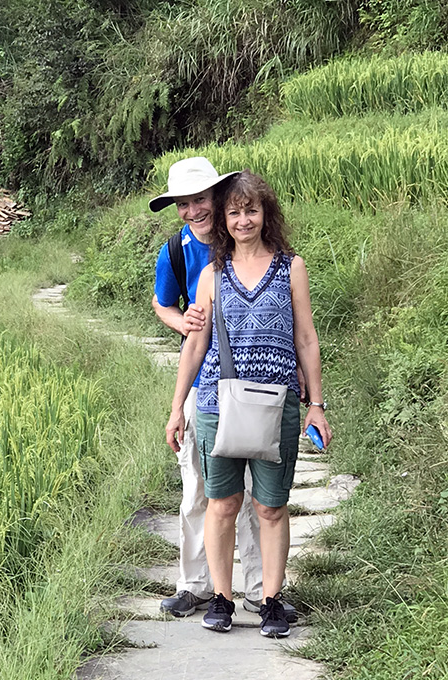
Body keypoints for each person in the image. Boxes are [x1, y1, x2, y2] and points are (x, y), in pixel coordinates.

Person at [165, 170, 331, 638]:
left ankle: (272, 601)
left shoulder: (290, 267)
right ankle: (221, 598)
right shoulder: (211, 274)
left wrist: (315, 404)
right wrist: (178, 407)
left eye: (251, 210)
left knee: (271, 507)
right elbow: (194, 346)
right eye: (234, 212)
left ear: (266, 214)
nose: (243, 220)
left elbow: (306, 338)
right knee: (221, 504)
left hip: (277, 404)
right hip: (218, 404)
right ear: (224, 219)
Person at [150, 157, 296, 622]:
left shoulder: (255, 245)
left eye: (200, 201)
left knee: (261, 497)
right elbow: (163, 304)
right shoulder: (176, 250)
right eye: (184, 204)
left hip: (263, 384)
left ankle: (258, 589)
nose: (193, 211)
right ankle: (199, 586)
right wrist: (183, 319)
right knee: (204, 489)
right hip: (206, 384)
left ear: (220, 198)